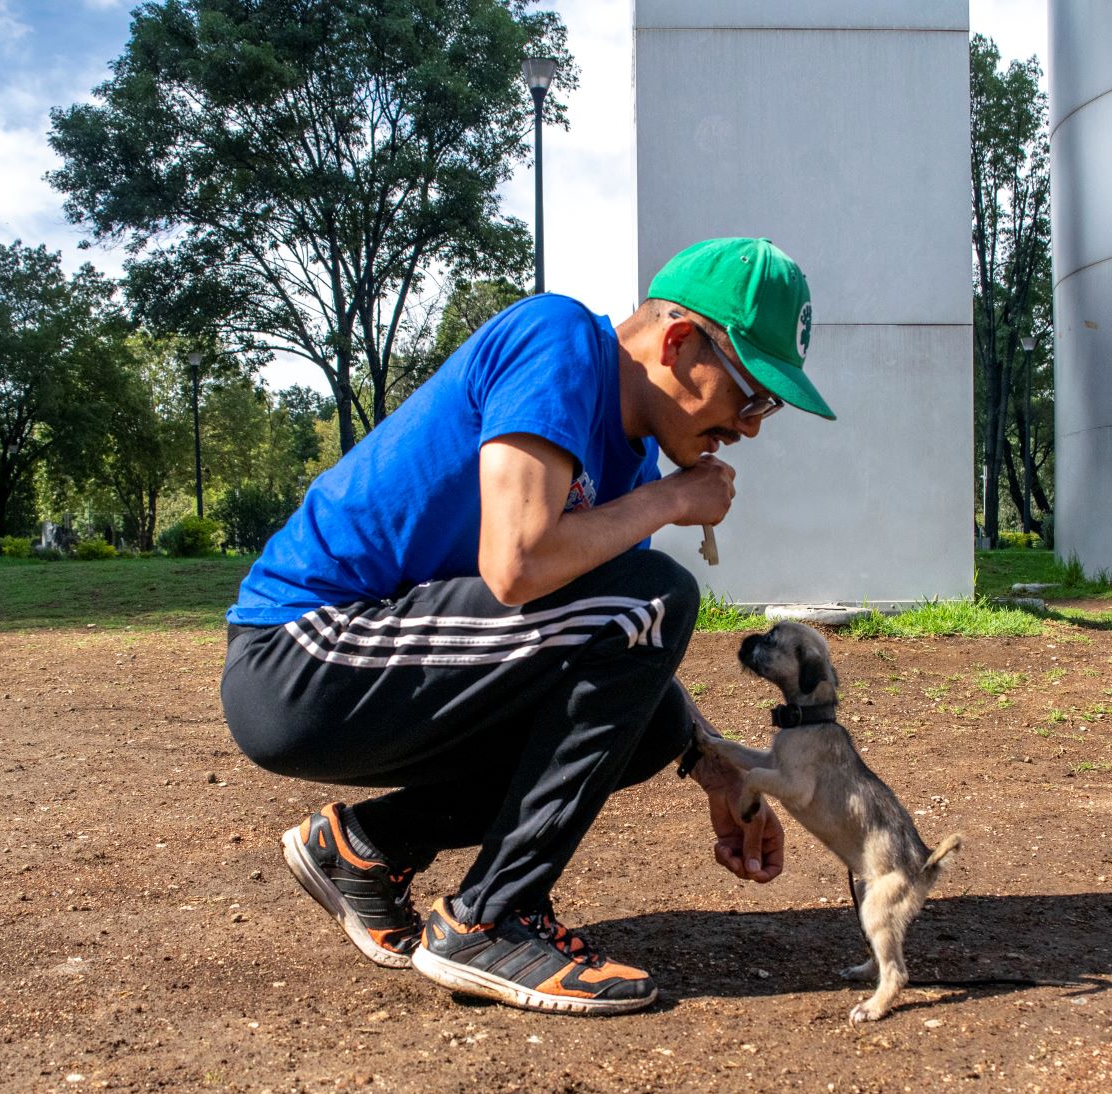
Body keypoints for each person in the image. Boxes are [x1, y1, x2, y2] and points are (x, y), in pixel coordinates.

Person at [219, 237, 836, 1015]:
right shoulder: (559, 339)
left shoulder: (627, 470)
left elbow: (611, 646)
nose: (749, 428)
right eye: (752, 396)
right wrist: (676, 501)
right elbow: (517, 564)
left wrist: (717, 767)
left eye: (766, 409)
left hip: (368, 668)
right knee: (656, 593)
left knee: (646, 722)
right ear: (680, 343)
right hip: (302, 655)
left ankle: (364, 849)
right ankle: (491, 919)